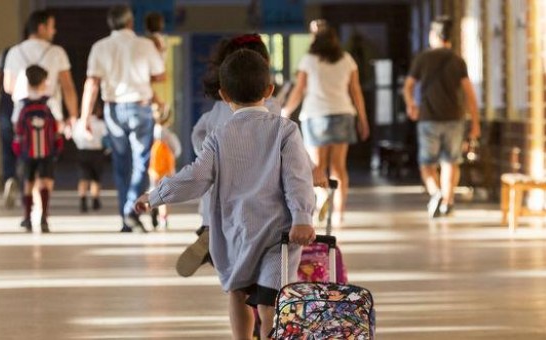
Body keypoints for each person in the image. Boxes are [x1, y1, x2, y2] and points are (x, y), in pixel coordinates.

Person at [135, 49, 316, 340]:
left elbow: (194, 177)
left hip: (237, 234)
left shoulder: (219, 135)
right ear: (270, 91)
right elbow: (298, 177)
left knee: (237, 291)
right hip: (279, 236)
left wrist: (155, 196)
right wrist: (302, 217)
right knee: (271, 302)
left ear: (224, 95)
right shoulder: (285, 130)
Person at [177, 34, 327, 278]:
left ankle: (209, 234)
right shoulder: (270, 106)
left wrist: (209, 156)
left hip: (220, 206)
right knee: (264, 274)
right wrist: (313, 169)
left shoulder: (219, 106)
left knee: (236, 282)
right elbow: (292, 152)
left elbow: (198, 133)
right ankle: (263, 302)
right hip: (260, 210)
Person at [80, 4, 166, 233]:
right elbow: (161, 74)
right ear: (130, 23)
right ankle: (130, 210)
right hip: (140, 107)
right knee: (141, 161)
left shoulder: (100, 47)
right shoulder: (145, 45)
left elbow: (92, 83)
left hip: (113, 110)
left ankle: (125, 219)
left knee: (121, 165)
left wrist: (84, 118)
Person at [282, 27, 370, 226]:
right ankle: (339, 214)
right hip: (343, 114)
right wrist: (363, 119)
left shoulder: (309, 60)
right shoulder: (346, 59)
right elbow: (356, 91)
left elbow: (299, 89)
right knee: (338, 167)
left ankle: (321, 198)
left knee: (317, 167)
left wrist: (286, 110)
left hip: (315, 116)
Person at [403, 16, 480, 218]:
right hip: (455, 118)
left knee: (427, 163)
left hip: (428, 118)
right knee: (450, 162)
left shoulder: (423, 59)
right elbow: (470, 94)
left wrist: (411, 104)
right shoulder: (457, 60)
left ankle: (436, 193)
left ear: (434, 35)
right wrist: (475, 123)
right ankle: (448, 201)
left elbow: (408, 86)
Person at [4, 10, 79, 128]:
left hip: (21, 116)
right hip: (51, 115)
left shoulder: (13, 52)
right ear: (41, 27)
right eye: (52, 27)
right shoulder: (57, 52)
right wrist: (73, 115)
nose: (54, 31)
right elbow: (67, 87)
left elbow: (8, 87)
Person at [12, 65, 63, 233]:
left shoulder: (22, 103)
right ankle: (44, 217)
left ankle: (27, 216)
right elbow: (58, 125)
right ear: (44, 82)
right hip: (47, 150)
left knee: (28, 181)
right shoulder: (50, 101)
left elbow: (16, 125)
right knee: (45, 181)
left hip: (27, 150)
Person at [0, 47, 18, 208]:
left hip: (6, 111)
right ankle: (24, 179)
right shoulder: (25, 57)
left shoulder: (5, 56)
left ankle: (9, 177)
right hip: (23, 110)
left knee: (7, 148)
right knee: (23, 147)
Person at [72, 105, 110, 213]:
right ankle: (95, 199)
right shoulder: (101, 124)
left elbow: (75, 137)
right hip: (97, 152)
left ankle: (83, 199)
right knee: (96, 178)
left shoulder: (78, 124)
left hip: (83, 151)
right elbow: (106, 138)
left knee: (83, 177)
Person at [148, 108, 181, 229]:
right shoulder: (168, 134)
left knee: (154, 190)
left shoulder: (149, 131)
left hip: (154, 167)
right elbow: (176, 149)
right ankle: (164, 218)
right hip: (166, 168)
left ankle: (154, 210)